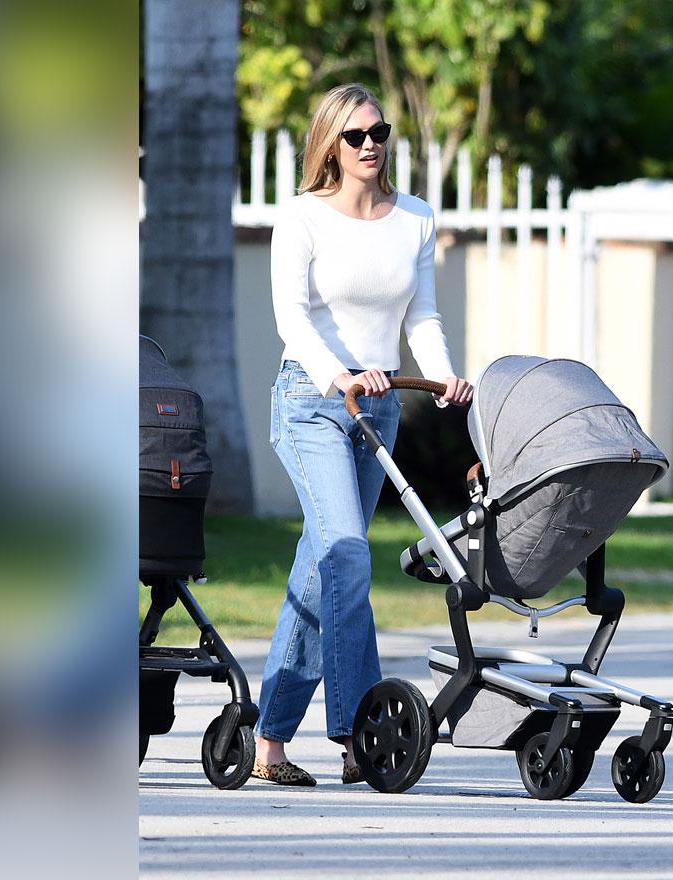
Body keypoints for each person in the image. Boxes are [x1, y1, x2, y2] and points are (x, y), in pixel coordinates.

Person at [253, 83, 473, 786]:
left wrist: (442, 380)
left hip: (377, 410)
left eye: (379, 132)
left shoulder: (413, 219)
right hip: (312, 400)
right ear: (330, 144)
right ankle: (361, 735)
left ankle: (267, 744)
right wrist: (339, 376)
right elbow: (292, 319)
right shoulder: (303, 218)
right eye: (355, 136)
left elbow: (422, 318)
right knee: (347, 555)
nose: (370, 144)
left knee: (321, 569)